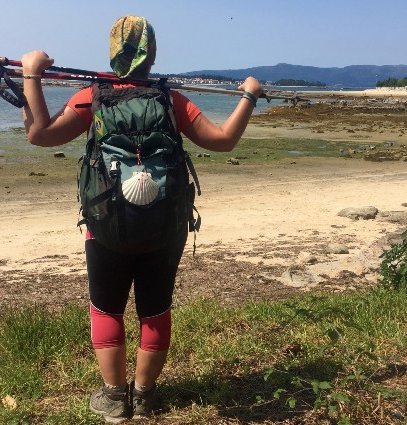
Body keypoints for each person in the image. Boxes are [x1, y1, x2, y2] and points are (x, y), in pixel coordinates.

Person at [21, 15, 263, 423]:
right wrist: (250, 96)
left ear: (112, 54)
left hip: (106, 225)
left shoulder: (92, 97)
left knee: (106, 309)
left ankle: (115, 400)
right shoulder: (172, 100)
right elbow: (223, 141)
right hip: (165, 227)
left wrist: (31, 74)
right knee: (155, 310)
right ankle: (145, 396)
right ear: (152, 55)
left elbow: (40, 134)